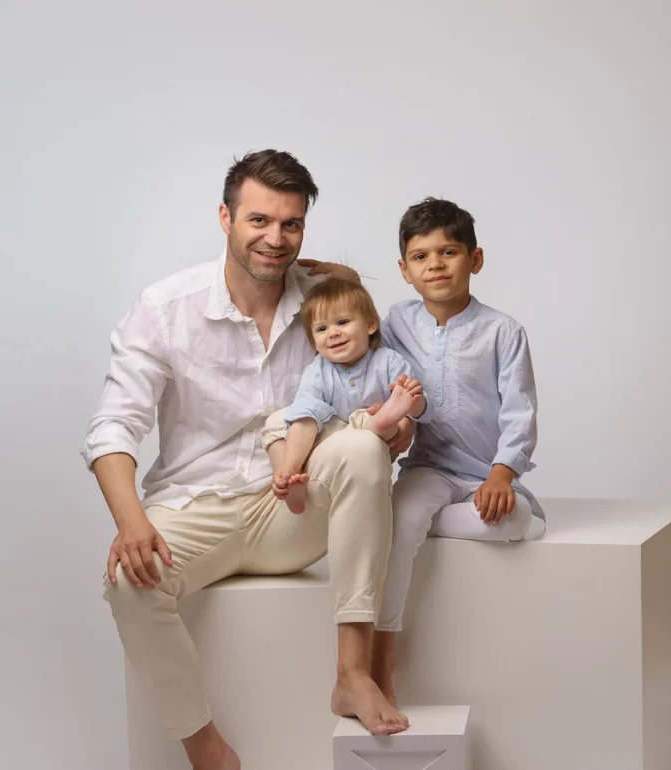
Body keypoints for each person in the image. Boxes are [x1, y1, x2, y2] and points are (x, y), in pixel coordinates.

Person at [81, 150, 412, 770]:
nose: (275, 238)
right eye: (259, 220)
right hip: (195, 505)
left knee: (364, 445)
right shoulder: (165, 307)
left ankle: (352, 674)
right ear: (225, 218)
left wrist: (400, 427)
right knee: (128, 582)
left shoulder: (326, 301)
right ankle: (206, 749)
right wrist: (130, 522)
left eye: (291, 224)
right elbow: (113, 425)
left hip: (291, 507)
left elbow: (381, 381)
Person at [367, 197, 546, 707]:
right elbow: (354, 330)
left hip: (487, 475)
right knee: (402, 525)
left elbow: (520, 411)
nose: (436, 265)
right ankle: (381, 660)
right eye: (420, 257)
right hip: (430, 467)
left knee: (517, 521)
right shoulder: (396, 322)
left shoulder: (503, 331)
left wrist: (502, 474)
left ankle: (424, 519)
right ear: (404, 270)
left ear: (475, 259)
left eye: (448, 252)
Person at [263, 277, 429, 514]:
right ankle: (290, 476)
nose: (333, 333)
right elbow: (306, 412)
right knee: (284, 421)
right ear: (313, 341)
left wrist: (411, 405)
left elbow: (418, 414)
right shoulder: (318, 370)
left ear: (370, 325)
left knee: (375, 417)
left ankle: (382, 419)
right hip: (328, 443)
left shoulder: (389, 361)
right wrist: (292, 461)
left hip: (371, 442)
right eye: (322, 329)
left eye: (342, 322)